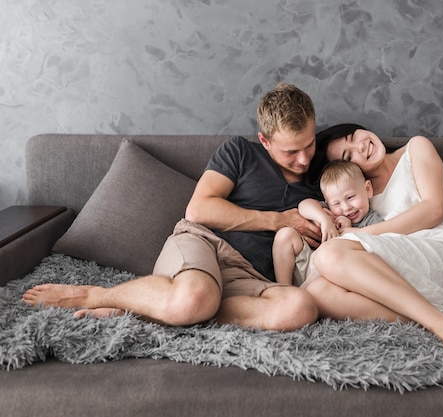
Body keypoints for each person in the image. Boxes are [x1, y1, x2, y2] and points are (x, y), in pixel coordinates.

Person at [21, 83, 324, 331]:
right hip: (203, 243)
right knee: (196, 296)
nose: (303, 159)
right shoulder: (240, 152)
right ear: (265, 140)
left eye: (309, 144)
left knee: (300, 307)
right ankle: (93, 295)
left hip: (249, 277)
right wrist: (277, 221)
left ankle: (150, 309)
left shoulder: (319, 181)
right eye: (291, 151)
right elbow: (199, 210)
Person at [303, 124, 443, 358]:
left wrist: (362, 235)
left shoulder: (415, 149)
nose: (360, 146)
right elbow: (308, 204)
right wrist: (323, 219)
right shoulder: (354, 194)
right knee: (317, 292)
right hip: (393, 267)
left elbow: (435, 209)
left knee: (330, 255)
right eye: (349, 155)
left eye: (353, 136)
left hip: (440, 247)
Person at [273, 160, 383, 286]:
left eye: (350, 197)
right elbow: (304, 205)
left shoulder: (372, 221)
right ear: (328, 202)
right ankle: (283, 288)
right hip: (309, 268)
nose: (346, 207)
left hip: (334, 280)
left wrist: (347, 233)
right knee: (285, 234)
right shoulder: (330, 212)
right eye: (336, 203)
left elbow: (380, 247)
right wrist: (323, 219)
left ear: (368, 189)